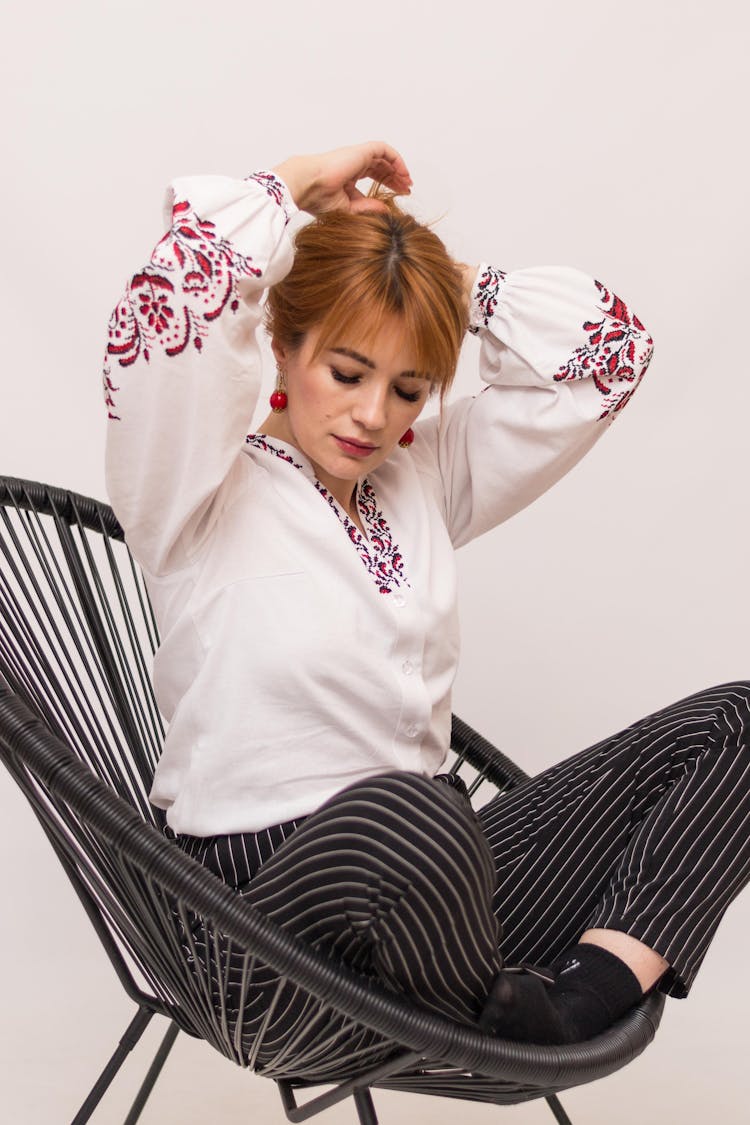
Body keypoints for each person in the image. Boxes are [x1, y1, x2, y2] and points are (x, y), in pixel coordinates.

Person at [103, 142, 750, 1068]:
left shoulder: (422, 479)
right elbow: (186, 274)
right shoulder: (195, 492)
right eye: (348, 370)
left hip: (434, 904)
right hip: (258, 930)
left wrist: (431, 277)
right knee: (412, 812)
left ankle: (570, 1004)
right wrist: (293, 191)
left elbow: (612, 356)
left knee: (739, 721)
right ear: (283, 344)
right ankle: (492, 1016)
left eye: (408, 389)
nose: (372, 417)